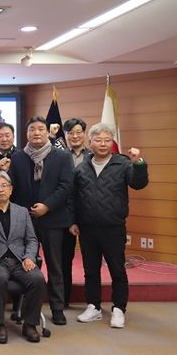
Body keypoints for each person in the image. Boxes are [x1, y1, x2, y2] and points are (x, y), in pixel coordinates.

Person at [70, 123, 148, 329]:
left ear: (112, 142)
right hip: (87, 228)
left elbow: (139, 184)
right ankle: (93, 306)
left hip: (113, 227)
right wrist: (73, 221)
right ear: (90, 143)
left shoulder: (123, 164)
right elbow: (74, 197)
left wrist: (138, 163)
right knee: (90, 270)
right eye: (98, 140)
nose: (103, 144)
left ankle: (119, 308)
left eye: (107, 140)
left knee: (117, 270)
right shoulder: (81, 167)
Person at [9, 116, 73, 325]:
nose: (36, 133)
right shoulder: (18, 157)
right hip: (24, 220)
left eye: (40, 129)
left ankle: (57, 308)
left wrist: (47, 206)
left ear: (47, 132)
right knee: (23, 263)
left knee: (55, 265)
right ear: (26, 134)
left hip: (53, 218)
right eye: (32, 129)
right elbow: (12, 188)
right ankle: (19, 308)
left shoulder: (62, 156)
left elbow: (66, 186)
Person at [0, 170, 46, 344]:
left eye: (4, 186)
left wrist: (29, 257)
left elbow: (32, 239)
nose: (1, 190)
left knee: (37, 278)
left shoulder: (22, 212)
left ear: (11, 189)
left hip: (19, 260)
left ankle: (30, 324)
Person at [62, 117, 91, 307]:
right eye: (71, 133)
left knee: (90, 259)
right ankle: (64, 298)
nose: (75, 136)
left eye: (79, 132)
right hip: (66, 213)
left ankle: (92, 301)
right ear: (65, 135)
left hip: (89, 211)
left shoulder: (94, 155)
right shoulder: (60, 156)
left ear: (84, 134)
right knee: (65, 258)